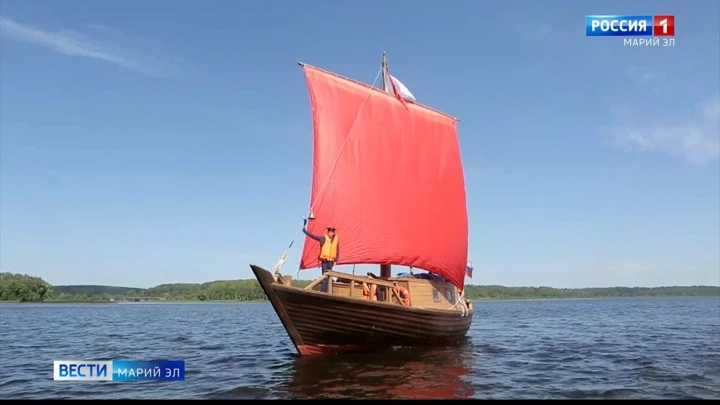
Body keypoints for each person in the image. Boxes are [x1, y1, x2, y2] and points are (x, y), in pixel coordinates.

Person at [302, 219, 339, 293]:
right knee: (324, 277)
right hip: (325, 261)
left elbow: (338, 250)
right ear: (328, 232)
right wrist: (305, 231)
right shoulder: (323, 239)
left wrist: (336, 261)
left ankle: (329, 292)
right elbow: (313, 236)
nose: (331, 233)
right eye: (330, 232)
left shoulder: (335, 240)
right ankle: (323, 292)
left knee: (330, 277)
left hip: (331, 262)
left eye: (332, 232)